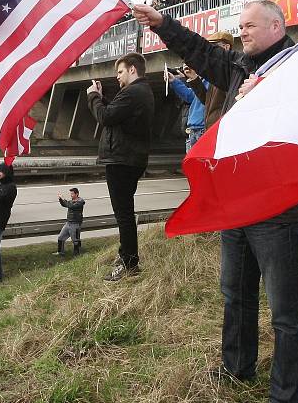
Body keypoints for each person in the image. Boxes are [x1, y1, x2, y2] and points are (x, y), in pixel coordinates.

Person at [133, 0, 298, 403]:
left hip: (275, 210)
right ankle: (237, 367)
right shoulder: (236, 67)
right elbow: (199, 50)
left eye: (250, 25)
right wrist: (162, 24)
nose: (243, 32)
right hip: (237, 204)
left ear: (276, 26)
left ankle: (285, 402)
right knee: (235, 291)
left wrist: (266, 102)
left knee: (286, 310)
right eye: (241, 26)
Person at [86, 52, 154, 282]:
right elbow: (115, 116)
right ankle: (127, 256)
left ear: (132, 69)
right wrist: (102, 99)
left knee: (123, 214)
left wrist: (93, 97)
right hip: (127, 158)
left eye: (120, 71)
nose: (117, 76)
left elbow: (104, 117)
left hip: (122, 160)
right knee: (124, 212)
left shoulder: (134, 92)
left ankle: (129, 263)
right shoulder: (138, 93)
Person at [168, 64, 206, 152]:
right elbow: (191, 96)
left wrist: (194, 79)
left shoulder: (213, 78)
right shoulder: (204, 78)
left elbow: (204, 97)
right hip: (193, 129)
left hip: (203, 128)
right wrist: (174, 81)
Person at [56, 187, 85, 255]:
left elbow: (70, 206)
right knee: (60, 237)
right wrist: (60, 199)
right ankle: (60, 252)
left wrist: (64, 199)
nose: (71, 195)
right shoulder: (72, 201)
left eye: (72, 194)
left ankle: (76, 254)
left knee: (75, 240)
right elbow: (65, 205)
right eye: (71, 194)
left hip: (75, 224)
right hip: (68, 223)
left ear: (77, 194)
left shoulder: (80, 202)